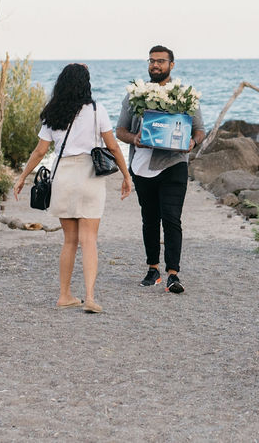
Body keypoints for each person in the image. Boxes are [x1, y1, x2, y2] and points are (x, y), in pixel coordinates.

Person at [14, 63, 131, 314]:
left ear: (62, 83)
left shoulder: (53, 112)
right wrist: (126, 175)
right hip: (90, 175)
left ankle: (64, 295)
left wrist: (23, 176)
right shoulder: (97, 110)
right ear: (85, 84)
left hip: (64, 175)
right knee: (89, 240)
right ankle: (89, 297)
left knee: (69, 241)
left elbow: (40, 151)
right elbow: (113, 146)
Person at [115, 45, 205, 294]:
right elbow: (120, 130)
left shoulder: (185, 95)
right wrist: (134, 139)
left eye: (161, 61)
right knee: (150, 219)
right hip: (142, 166)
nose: (155, 65)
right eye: (152, 61)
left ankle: (173, 274)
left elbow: (199, 129)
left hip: (174, 164)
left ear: (171, 65)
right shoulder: (135, 95)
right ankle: (152, 269)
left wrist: (192, 142)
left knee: (172, 218)